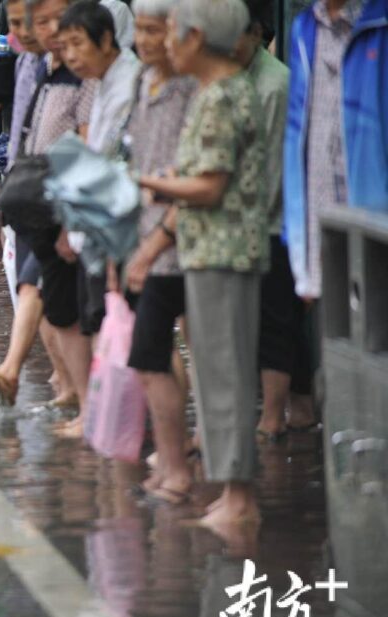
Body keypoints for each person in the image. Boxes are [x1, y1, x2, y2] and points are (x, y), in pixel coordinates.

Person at [138, 0, 268, 530]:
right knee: (215, 372)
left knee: (226, 375)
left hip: (224, 253)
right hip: (208, 252)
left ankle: (240, 499)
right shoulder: (219, 92)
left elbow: (209, 186)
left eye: (171, 33)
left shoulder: (222, 96)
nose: (166, 44)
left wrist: (148, 182)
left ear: (196, 38)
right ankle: (231, 491)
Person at [0, 0, 94, 411]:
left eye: (35, 22)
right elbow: (23, 134)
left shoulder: (84, 74)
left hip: (64, 199)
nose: (23, 33)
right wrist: (9, 195)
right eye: (18, 24)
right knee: (37, 292)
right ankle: (64, 383)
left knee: (42, 291)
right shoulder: (30, 65)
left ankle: (19, 371)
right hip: (29, 195)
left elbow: (88, 142)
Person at [122, 0, 197, 504]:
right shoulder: (142, 88)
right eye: (142, 31)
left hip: (180, 246)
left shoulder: (193, 92)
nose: (147, 42)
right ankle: (172, 462)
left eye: (157, 31)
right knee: (149, 357)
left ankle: (179, 467)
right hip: (144, 241)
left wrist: (150, 248)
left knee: (160, 354)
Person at [52, 0, 139, 438]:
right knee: (102, 326)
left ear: (108, 40)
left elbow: (116, 163)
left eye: (77, 43)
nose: (69, 54)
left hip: (120, 232)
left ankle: (132, 426)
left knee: (140, 340)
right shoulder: (101, 82)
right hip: (97, 228)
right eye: (63, 45)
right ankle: (110, 419)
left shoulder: (131, 82)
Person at [230, 0, 312, 442]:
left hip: (272, 225)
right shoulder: (238, 79)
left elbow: (273, 172)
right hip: (248, 223)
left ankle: (274, 416)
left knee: (276, 322)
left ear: (254, 34)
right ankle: (293, 408)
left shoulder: (273, 85)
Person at [284, 0, 388, 301]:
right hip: (321, 216)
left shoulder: (380, 21)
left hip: (375, 218)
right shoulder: (305, 28)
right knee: (335, 333)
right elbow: (296, 137)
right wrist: (299, 238)